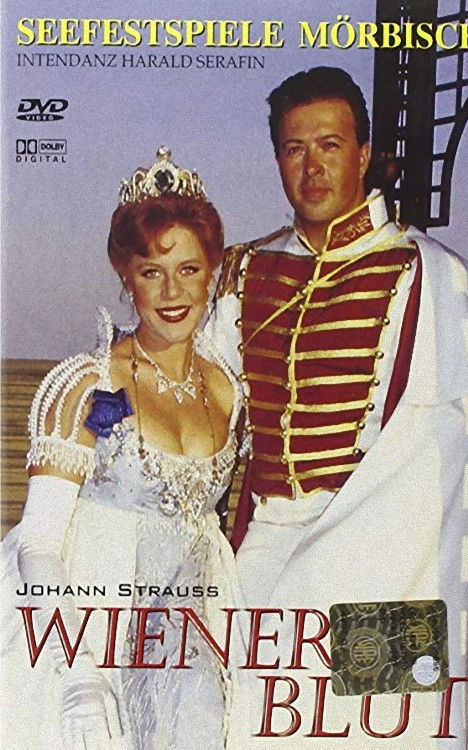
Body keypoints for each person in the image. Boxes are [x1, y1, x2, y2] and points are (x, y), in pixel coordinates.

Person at [209, 68, 468, 748]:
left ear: (364, 154)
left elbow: (457, 459)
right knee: (251, 727)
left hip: (387, 557)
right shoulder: (243, 271)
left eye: (330, 145)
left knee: (385, 728)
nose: (311, 167)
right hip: (267, 547)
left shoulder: (432, 274)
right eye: (294, 148)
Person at [1, 147, 245, 750]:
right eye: (151, 271)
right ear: (126, 277)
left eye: (188, 269)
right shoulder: (91, 384)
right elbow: (38, 542)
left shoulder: (226, 388)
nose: (172, 291)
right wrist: (77, 676)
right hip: (86, 626)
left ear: (212, 273)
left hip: (190, 630)